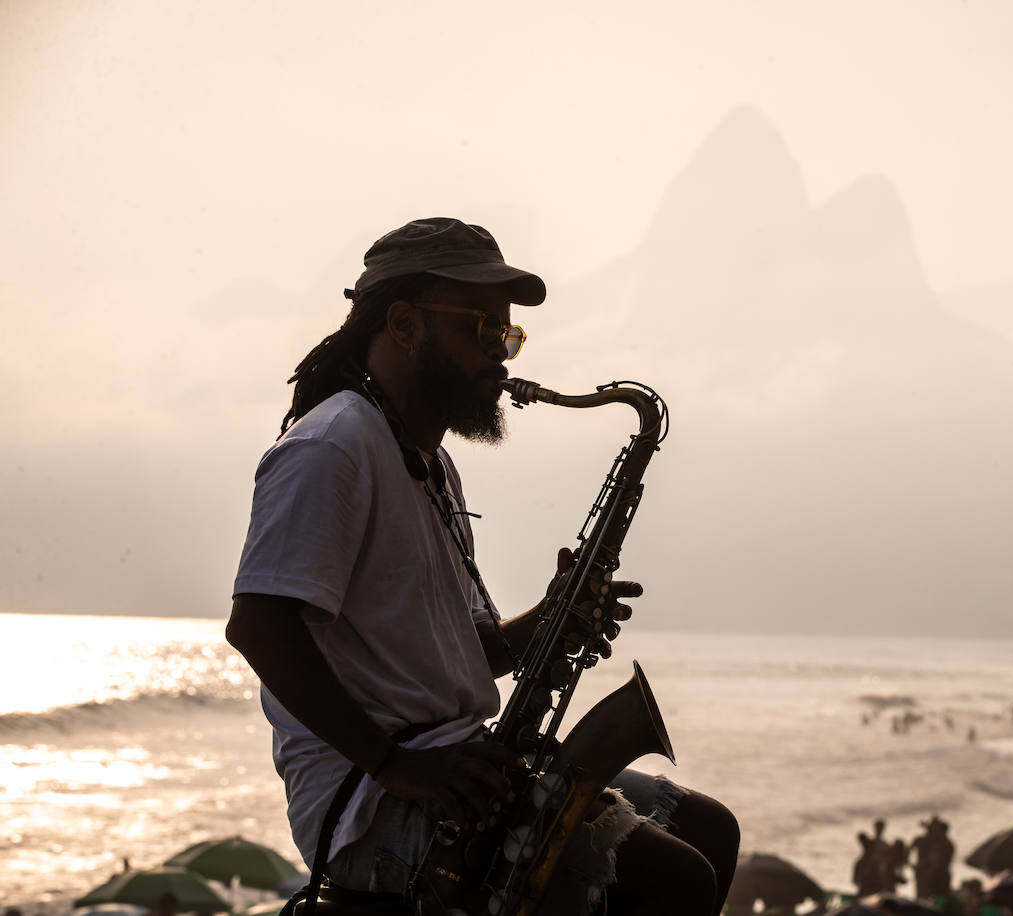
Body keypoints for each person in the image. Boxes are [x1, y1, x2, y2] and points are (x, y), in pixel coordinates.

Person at [226, 218, 738, 916]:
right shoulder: (334, 445)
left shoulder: (430, 465)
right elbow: (259, 625)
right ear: (404, 325)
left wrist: (550, 620)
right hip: (369, 804)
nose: (502, 357)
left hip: (454, 761)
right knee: (678, 882)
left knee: (711, 828)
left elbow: (457, 653)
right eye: (484, 332)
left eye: (510, 337)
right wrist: (395, 765)